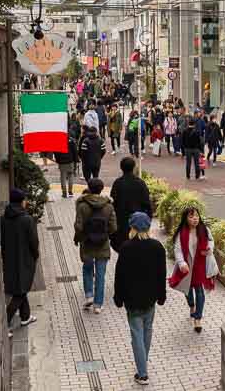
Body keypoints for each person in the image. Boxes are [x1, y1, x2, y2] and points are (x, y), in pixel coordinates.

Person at [113, 212, 167, 386]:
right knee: (147, 330)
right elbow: (161, 274)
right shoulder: (157, 247)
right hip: (150, 298)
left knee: (136, 333)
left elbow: (119, 275)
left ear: (132, 227)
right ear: (148, 227)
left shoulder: (126, 248)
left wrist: (118, 297)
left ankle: (142, 373)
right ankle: (143, 361)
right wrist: (161, 294)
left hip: (132, 299)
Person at [168, 207, 218, 333]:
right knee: (188, 290)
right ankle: (191, 305)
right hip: (187, 266)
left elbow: (211, 241)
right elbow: (178, 250)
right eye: (191, 217)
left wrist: (209, 248)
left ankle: (198, 318)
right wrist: (181, 263)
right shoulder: (182, 233)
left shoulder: (204, 229)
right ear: (185, 219)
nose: (195, 219)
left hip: (200, 265)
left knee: (200, 291)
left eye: (196, 216)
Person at [74, 178, 117, 314]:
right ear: (102, 188)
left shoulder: (82, 205)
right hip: (102, 244)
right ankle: (98, 305)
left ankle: (88, 295)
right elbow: (113, 227)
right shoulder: (109, 206)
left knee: (87, 268)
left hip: (86, 242)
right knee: (100, 274)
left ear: (89, 188)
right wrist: (104, 234)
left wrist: (81, 237)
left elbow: (78, 226)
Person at [1, 188, 39, 336]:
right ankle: (5, 322)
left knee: (20, 287)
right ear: (21, 201)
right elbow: (33, 242)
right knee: (21, 290)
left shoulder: (4, 218)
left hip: (10, 259)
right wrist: (35, 255)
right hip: (25, 259)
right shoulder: (27, 219)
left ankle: (25, 316)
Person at [109, 157, 153, 252]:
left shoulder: (118, 183)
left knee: (123, 249)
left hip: (121, 222)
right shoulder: (140, 183)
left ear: (121, 168)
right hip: (138, 223)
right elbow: (147, 203)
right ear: (133, 167)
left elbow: (113, 203)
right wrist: (148, 220)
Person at [55, 127, 78, 198]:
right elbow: (75, 152)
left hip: (62, 162)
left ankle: (64, 193)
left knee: (63, 177)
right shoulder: (71, 141)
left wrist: (58, 160)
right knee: (70, 175)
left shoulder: (58, 140)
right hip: (70, 161)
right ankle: (70, 192)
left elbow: (56, 152)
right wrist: (76, 160)